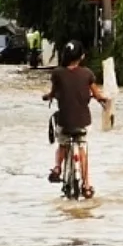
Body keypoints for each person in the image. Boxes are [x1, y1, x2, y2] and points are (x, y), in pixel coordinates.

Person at [42, 40, 109, 199]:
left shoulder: (57, 73)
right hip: (83, 123)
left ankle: (58, 167)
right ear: (82, 57)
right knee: (83, 149)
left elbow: (53, 92)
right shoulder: (87, 74)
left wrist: (48, 97)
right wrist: (102, 99)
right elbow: (98, 95)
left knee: (62, 143)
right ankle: (86, 185)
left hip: (65, 122)